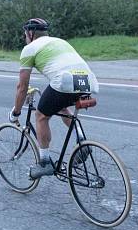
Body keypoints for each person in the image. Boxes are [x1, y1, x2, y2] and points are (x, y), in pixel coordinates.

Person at [9, 18, 99, 179]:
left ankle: (44, 162)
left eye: (25, 34)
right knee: (61, 106)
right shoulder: (60, 41)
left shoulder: (29, 48)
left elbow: (22, 87)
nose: (24, 38)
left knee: (41, 116)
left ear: (31, 33)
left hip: (65, 81)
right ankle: (82, 142)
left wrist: (16, 112)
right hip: (88, 81)